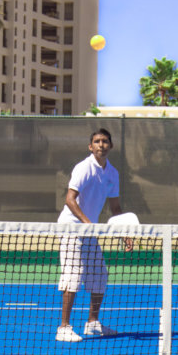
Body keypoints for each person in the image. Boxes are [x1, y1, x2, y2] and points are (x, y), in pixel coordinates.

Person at [55, 127, 131, 343]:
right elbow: (70, 200)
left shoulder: (113, 173)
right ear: (91, 146)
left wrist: (124, 233)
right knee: (73, 275)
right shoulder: (83, 168)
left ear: (111, 146)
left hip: (89, 230)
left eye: (105, 141)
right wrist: (87, 223)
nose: (101, 145)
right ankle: (64, 327)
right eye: (97, 141)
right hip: (71, 227)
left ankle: (92, 323)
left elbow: (115, 208)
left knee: (100, 275)